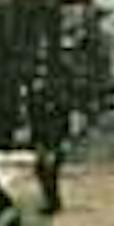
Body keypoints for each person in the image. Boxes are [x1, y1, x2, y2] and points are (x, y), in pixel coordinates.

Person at [28, 85, 70, 213]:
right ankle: (52, 201)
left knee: (47, 172)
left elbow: (56, 126)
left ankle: (53, 202)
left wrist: (51, 145)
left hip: (51, 143)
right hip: (49, 142)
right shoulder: (46, 107)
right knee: (45, 171)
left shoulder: (50, 109)